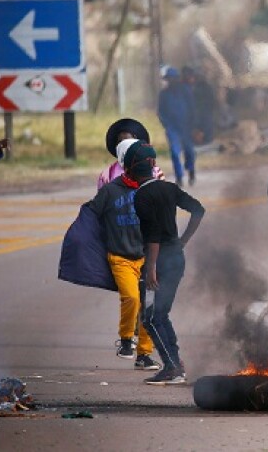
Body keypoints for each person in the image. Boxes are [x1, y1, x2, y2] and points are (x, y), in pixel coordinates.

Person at [128, 141, 205, 385]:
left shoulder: (141, 196)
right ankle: (176, 363)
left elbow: (152, 235)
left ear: (129, 171)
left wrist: (150, 268)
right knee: (161, 314)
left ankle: (172, 367)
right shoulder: (170, 188)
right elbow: (198, 210)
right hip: (176, 258)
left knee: (151, 317)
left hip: (159, 262)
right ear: (152, 165)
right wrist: (182, 241)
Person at [87, 138, 161, 371]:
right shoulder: (110, 191)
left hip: (147, 257)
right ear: (128, 166)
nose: (148, 167)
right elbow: (91, 216)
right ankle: (127, 339)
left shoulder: (152, 188)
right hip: (120, 257)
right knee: (131, 297)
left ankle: (145, 354)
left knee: (149, 306)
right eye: (143, 163)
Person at [157, 65, 197, 187]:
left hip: (186, 126)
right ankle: (179, 177)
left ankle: (190, 170)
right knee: (175, 152)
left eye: (173, 78)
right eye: (168, 79)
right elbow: (161, 112)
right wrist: (166, 124)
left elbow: (192, 108)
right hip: (172, 127)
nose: (171, 81)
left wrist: (193, 124)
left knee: (189, 151)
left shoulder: (185, 91)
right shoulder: (163, 94)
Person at [98, 118, 163, 190]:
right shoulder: (106, 175)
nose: (124, 146)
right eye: (120, 143)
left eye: (128, 142)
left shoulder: (155, 171)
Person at [182, 66, 215, 145]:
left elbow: (211, 102)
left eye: (190, 76)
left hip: (203, 116)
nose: (190, 79)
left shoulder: (204, 87)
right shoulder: (183, 88)